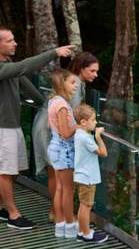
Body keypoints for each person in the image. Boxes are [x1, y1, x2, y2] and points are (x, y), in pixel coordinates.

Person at [0, 28, 73, 229]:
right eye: (10, 40)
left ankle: (1, 207)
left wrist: (49, 105)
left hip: (12, 126)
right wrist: (53, 53)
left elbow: (25, 83)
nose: (15, 43)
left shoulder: (8, 65)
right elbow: (24, 68)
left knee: (12, 173)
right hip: (2, 129)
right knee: (5, 173)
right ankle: (14, 216)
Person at [34, 51, 98, 215]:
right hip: (51, 131)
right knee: (58, 175)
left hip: (45, 127)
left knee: (55, 173)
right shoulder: (75, 83)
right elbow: (72, 116)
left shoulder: (70, 80)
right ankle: (57, 214)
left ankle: (56, 212)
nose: (96, 75)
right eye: (92, 71)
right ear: (81, 69)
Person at [44, 69, 79, 239]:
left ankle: (60, 225)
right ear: (62, 83)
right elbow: (66, 133)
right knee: (68, 190)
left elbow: (51, 127)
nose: (76, 86)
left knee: (59, 188)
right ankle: (70, 226)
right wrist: (79, 126)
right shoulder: (63, 105)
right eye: (72, 83)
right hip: (64, 151)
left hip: (55, 148)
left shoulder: (53, 101)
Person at [72, 104, 108, 244]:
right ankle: (86, 234)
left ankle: (82, 231)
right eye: (93, 120)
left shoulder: (80, 134)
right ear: (83, 122)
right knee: (86, 206)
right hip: (87, 178)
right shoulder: (86, 138)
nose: (95, 123)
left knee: (83, 205)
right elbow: (103, 153)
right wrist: (98, 136)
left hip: (82, 175)